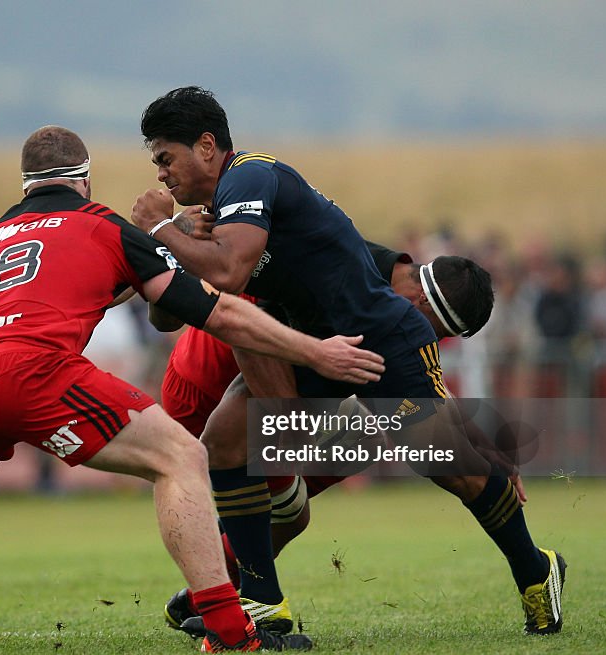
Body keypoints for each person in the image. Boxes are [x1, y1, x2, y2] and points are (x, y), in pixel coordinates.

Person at [0, 125, 386, 653]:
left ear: (26, 186)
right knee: (184, 456)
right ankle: (230, 631)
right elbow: (218, 312)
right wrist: (316, 350)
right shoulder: (103, 224)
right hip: (35, 372)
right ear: (84, 179)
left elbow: (71, 290)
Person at [131, 86, 565, 636]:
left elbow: (231, 273)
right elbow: (174, 311)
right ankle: (264, 604)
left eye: (166, 158)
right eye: (157, 164)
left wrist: (158, 229)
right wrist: (165, 247)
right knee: (226, 440)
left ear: (208, 146)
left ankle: (534, 568)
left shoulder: (252, 174)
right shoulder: (224, 210)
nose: (162, 174)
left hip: (380, 346)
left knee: (454, 470)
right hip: (315, 349)